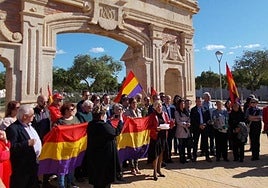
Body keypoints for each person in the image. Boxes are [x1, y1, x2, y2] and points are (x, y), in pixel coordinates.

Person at [86, 105, 124, 188]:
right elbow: (116, 132)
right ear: (102, 115)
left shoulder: (91, 124)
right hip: (104, 159)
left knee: (97, 182)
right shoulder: (102, 125)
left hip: (95, 157)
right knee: (105, 182)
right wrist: (120, 119)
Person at [6, 105, 42, 188]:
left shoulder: (30, 125)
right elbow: (12, 147)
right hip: (22, 168)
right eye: (32, 115)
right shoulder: (13, 129)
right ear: (25, 116)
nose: (33, 116)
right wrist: (27, 143)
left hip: (33, 164)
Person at [55, 102, 80, 188]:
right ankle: (61, 185)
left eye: (74, 109)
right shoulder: (60, 121)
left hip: (73, 148)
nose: (73, 111)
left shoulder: (76, 119)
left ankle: (70, 183)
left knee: (71, 167)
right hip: (63, 149)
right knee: (62, 168)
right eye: (71, 109)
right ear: (65, 111)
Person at [31, 95, 55, 188]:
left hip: (46, 140)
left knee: (45, 161)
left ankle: (46, 182)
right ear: (38, 101)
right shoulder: (33, 112)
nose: (45, 103)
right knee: (35, 162)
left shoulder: (47, 112)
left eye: (46, 101)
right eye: (42, 101)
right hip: (36, 141)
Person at [147, 100, 172, 181]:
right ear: (154, 107)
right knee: (156, 155)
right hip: (155, 137)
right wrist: (155, 129)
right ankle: (154, 172)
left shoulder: (165, 114)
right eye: (157, 106)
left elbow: (168, 122)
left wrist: (171, 124)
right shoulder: (152, 115)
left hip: (163, 136)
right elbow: (149, 126)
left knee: (161, 153)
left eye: (160, 106)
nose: (159, 108)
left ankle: (159, 170)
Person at [123, 98, 142, 175]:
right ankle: (132, 167)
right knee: (131, 149)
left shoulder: (139, 111)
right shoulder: (127, 112)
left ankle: (137, 166)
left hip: (137, 133)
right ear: (130, 104)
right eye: (133, 103)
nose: (135, 104)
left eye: (136, 103)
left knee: (137, 150)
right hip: (130, 133)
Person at [190, 97, 212, 162]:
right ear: (196, 102)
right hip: (197, 128)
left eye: (200, 101)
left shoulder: (205, 109)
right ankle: (194, 156)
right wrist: (199, 125)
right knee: (195, 142)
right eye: (197, 101)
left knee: (205, 142)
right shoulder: (193, 110)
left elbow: (208, 118)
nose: (199, 102)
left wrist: (205, 124)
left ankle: (207, 156)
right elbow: (192, 120)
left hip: (204, 128)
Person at [174, 99, 192, 164]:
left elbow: (189, 118)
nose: (182, 105)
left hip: (186, 130)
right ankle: (181, 158)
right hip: (180, 131)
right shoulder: (177, 112)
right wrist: (185, 124)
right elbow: (178, 121)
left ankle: (184, 157)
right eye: (181, 104)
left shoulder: (186, 111)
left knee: (185, 145)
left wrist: (188, 123)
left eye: (183, 104)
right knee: (181, 145)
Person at [162, 95, 176, 163]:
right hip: (165, 128)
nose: (168, 100)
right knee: (165, 143)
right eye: (167, 99)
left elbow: (174, 116)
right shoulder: (162, 107)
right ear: (164, 99)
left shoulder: (173, 107)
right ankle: (164, 157)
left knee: (170, 143)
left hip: (172, 128)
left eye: (169, 99)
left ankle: (169, 156)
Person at [202, 92, 215, 156]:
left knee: (212, 138)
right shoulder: (202, 105)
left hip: (212, 123)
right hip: (206, 123)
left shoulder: (212, 104)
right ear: (204, 97)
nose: (209, 97)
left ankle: (212, 150)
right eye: (207, 96)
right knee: (205, 138)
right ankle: (205, 150)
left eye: (209, 96)